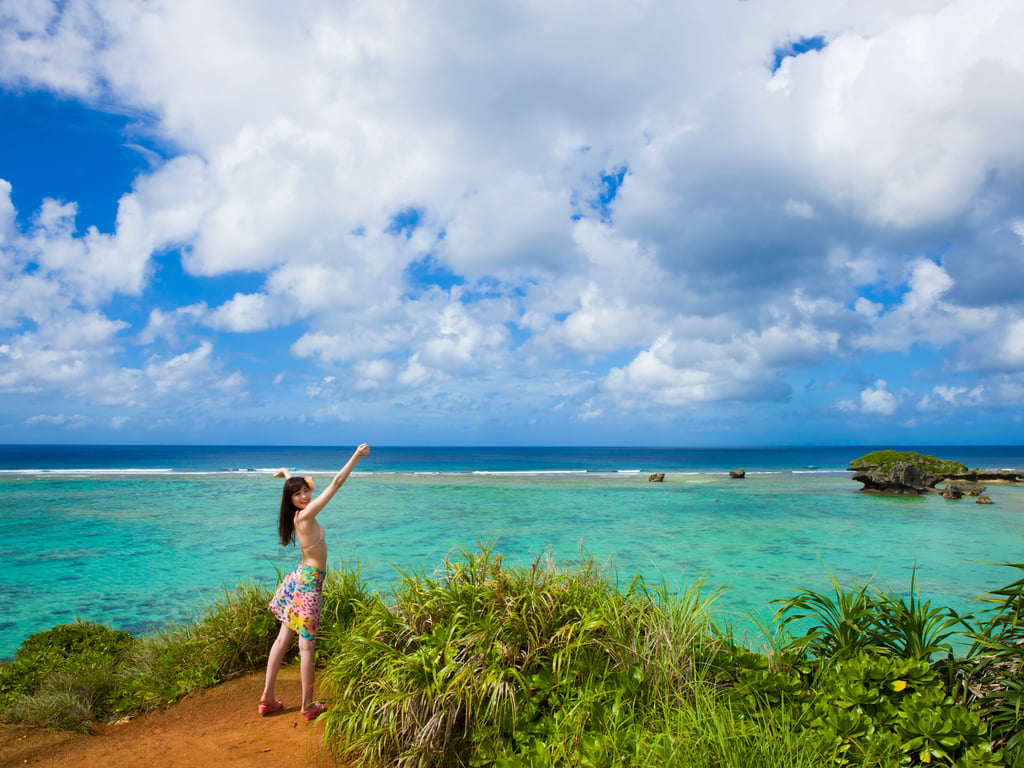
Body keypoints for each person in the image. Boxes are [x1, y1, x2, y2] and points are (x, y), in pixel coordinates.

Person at [258, 443, 370, 720]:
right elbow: (336, 482)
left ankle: (267, 699)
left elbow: (294, 485)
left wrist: (286, 473)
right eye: (298, 494)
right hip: (307, 587)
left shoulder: (297, 513)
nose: (305, 495)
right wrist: (356, 455)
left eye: (306, 490)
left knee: (283, 639)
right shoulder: (306, 515)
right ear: (291, 500)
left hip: (297, 580)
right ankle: (307, 707)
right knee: (306, 645)